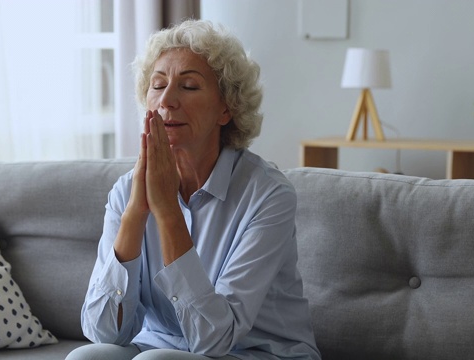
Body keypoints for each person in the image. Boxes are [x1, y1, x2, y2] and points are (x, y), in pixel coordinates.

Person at [66, 19, 321, 360]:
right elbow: (103, 332)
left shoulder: (268, 195)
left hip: (256, 352)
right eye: (157, 86)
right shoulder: (126, 191)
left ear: (226, 108)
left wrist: (168, 213)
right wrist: (135, 213)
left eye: (188, 86)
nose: (167, 100)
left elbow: (215, 341)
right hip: (160, 348)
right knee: (87, 357)